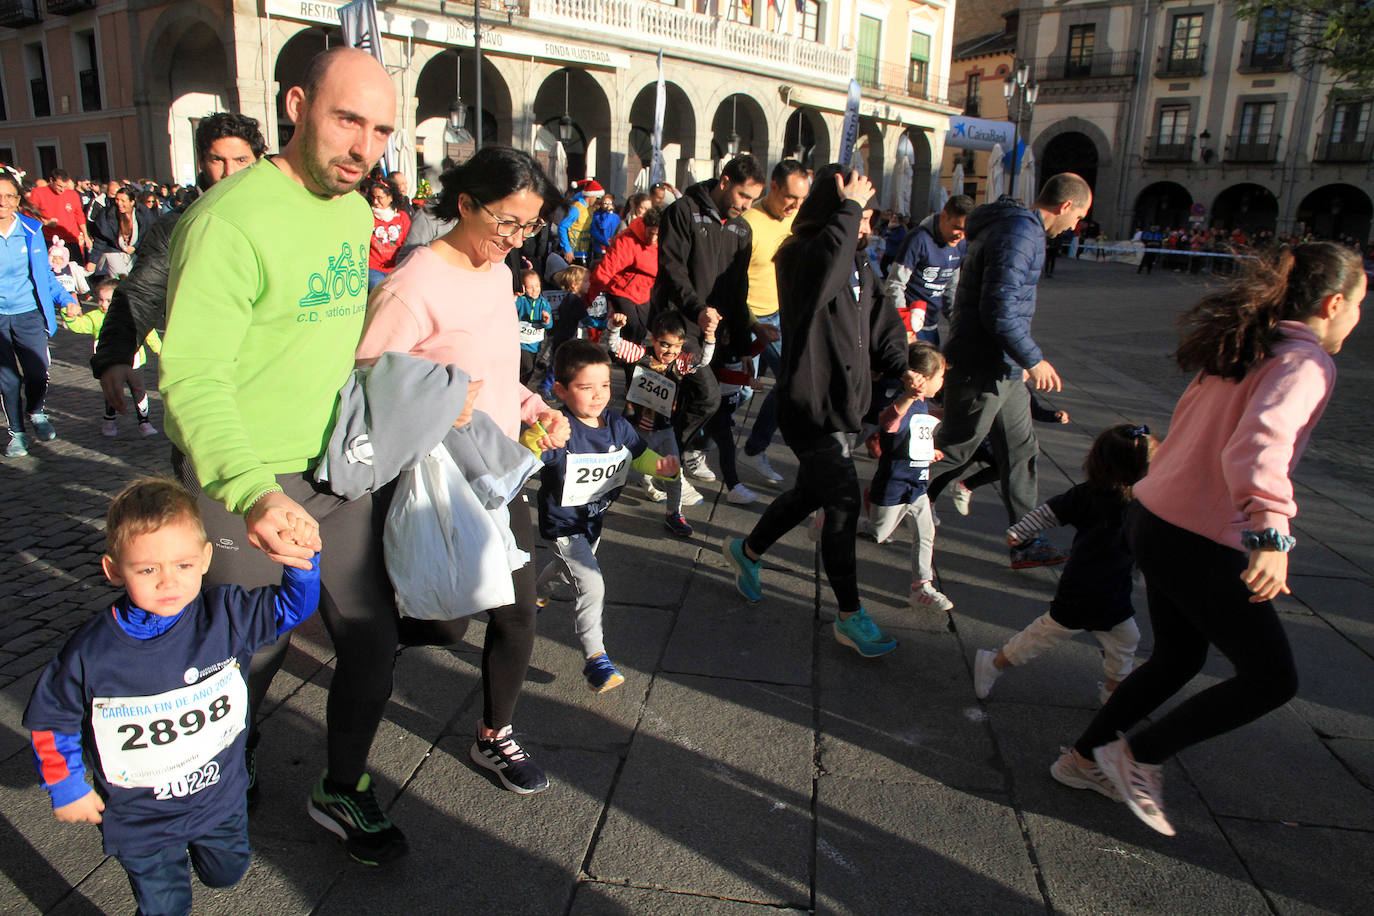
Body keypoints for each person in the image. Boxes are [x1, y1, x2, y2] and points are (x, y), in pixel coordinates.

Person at [159, 48, 409, 863]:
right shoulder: (228, 221)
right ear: (297, 104)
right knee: (251, 656)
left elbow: (329, 318)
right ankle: (222, 771)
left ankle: (341, 788)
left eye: (379, 130)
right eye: (346, 120)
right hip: (248, 485)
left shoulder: (349, 206)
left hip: (337, 477)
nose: (362, 146)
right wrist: (250, 491)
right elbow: (192, 376)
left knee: (371, 643)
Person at [1053, 242, 1364, 837]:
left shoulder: (1251, 343)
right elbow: (1258, 446)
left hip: (1156, 518)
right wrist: (1271, 530)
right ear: (1333, 303)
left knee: (1179, 655)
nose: (1357, 317)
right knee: (1272, 680)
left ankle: (1084, 759)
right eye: (1358, 305)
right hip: (1197, 535)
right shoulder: (1303, 363)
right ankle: (1136, 755)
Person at [356, 144, 571, 796]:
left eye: (528, 227)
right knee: (445, 620)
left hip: (495, 468)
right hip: (433, 475)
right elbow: (366, 377)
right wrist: (440, 398)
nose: (513, 240)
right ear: (465, 204)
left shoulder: (499, 273)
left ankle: (493, 735)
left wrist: (536, 409)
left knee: (517, 610)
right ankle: (370, 630)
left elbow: (498, 374)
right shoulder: (414, 281)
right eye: (505, 222)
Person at [24, 478, 320, 916]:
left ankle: (211, 854)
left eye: (182, 565)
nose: (168, 582)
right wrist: (66, 785)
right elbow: (51, 719)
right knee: (165, 906)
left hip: (218, 796)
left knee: (227, 872)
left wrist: (301, 562)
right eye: (147, 569)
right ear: (113, 570)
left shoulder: (224, 615)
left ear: (205, 559)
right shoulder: (92, 652)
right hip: (140, 816)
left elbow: (291, 609)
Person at [723, 166, 910, 658]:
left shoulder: (858, 259)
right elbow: (827, 272)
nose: (865, 224)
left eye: (868, 215)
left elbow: (881, 319)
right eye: (856, 214)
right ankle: (850, 615)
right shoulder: (800, 254)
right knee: (843, 502)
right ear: (835, 213)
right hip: (806, 404)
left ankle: (748, 550)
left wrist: (905, 366)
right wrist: (846, 215)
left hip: (840, 403)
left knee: (811, 492)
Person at [923, 173, 1092, 569]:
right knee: (956, 449)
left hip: (1004, 365)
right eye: (1079, 216)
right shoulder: (1020, 233)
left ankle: (1025, 539)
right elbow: (998, 308)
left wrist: (1022, 360)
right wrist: (1034, 358)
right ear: (1066, 206)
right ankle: (888, 499)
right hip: (984, 363)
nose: (1076, 226)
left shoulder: (1018, 228)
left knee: (1021, 452)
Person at [91, 112, 266, 423]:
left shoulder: (279, 215)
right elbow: (142, 290)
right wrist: (115, 354)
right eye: (217, 160)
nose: (229, 172)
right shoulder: (178, 225)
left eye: (241, 160)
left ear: (258, 159)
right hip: (205, 380)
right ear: (202, 161)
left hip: (272, 373)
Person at [531, 339, 680, 692]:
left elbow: (638, 455)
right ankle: (596, 661)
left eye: (604, 385)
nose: (598, 395)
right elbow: (522, 460)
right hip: (562, 524)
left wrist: (661, 468)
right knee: (591, 584)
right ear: (561, 390)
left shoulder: (616, 424)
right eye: (586, 388)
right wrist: (536, 440)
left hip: (593, 520)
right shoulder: (560, 430)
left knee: (573, 575)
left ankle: (537, 591)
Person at [974, 424, 1157, 706]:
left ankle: (1113, 690)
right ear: (1130, 470)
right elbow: (1048, 512)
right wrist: (1019, 532)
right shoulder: (1089, 495)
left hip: (1115, 590)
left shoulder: (1142, 500)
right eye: (1152, 465)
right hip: (1083, 588)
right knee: (1042, 636)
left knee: (1126, 639)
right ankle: (994, 663)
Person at [653, 155, 764, 482]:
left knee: (695, 400)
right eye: (743, 196)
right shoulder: (683, 211)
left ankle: (673, 459)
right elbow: (672, 269)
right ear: (725, 181)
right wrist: (697, 308)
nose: (746, 205)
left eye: (752, 200)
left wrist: (743, 343)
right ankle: (671, 459)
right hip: (677, 325)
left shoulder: (742, 229)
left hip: (715, 332)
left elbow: (738, 288)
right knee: (707, 397)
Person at [605, 309, 715, 534]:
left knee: (674, 472)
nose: (670, 351)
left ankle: (674, 513)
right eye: (665, 344)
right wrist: (615, 327)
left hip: (665, 430)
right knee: (625, 472)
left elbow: (703, 360)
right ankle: (601, 502)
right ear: (653, 339)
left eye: (676, 346)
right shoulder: (640, 355)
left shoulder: (680, 363)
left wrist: (710, 337)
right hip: (638, 429)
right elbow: (615, 346)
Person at [864, 342, 952, 613]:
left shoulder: (922, 404)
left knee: (926, 533)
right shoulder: (905, 403)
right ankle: (836, 518)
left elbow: (917, 434)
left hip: (917, 485)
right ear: (922, 381)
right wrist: (907, 397)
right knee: (879, 533)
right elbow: (888, 423)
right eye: (940, 377)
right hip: (893, 485)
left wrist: (931, 451)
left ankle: (922, 587)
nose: (942, 382)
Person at [739, 159, 809, 486]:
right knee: (734, 392)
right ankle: (698, 443)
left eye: (802, 200)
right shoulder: (747, 224)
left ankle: (753, 448)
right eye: (791, 197)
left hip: (782, 314)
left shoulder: (796, 219)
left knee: (790, 381)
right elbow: (730, 282)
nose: (795, 206)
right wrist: (751, 323)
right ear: (774, 187)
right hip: (750, 318)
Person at [0, 169, 78, 458]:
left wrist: (65, 297)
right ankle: (17, 434)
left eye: (9, 196)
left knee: (36, 372)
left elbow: (43, 274)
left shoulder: (31, 230)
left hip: (29, 313)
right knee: (7, 379)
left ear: (18, 199)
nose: (3, 202)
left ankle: (36, 411)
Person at [62, 278, 161, 437]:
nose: (103, 304)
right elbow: (80, 325)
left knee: (139, 390)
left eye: (108, 300)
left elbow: (149, 332)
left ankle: (144, 421)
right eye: (100, 300)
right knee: (113, 390)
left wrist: (159, 350)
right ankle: (109, 420)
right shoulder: (95, 317)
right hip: (109, 362)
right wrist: (70, 316)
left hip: (135, 361)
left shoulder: (132, 312)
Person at [949, 387, 1068, 516]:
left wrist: (1054, 416)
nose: (1027, 375)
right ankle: (934, 495)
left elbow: (1035, 410)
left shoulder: (1021, 387)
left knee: (1005, 467)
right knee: (953, 464)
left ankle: (963, 487)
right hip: (981, 434)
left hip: (993, 439)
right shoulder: (999, 383)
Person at [884, 194, 972, 347]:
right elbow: (895, 284)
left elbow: (951, 289)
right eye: (957, 228)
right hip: (909, 325)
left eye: (966, 231)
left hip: (932, 324)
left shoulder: (960, 244)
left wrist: (959, 325)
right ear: (944, 216)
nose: (961, 236)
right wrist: (906, 328)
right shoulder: (918, 239)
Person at [589, 206, 661, 351]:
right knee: (633, 328)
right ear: (645, 227)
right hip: (622, 289)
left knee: (646, 328)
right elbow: (607, 269)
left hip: (644, 291)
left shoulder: (665, 241)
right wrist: (589, 296)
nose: (653, 238)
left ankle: (625, 357)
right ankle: (629, 362)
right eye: (650, 233)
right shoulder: (627, 239)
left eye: (657, 235)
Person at [90, 186, 154, 278]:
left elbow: (148, 236)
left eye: (123, 201)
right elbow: (101, 239)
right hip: (113, 250)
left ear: (132, 202)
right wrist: (93, 261)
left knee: (134, 277)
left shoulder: (144, 215)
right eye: (117, 200)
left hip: (135, 252)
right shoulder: (107, 215)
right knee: (121, 278)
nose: (119, 203)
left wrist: (136, 247)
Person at [28, 168, 89, 255]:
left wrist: (86, 235)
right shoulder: (38, 193)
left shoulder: (72, 194)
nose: (62, 190)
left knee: (76, 266)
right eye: (59, 186)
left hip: (71, 238)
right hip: (49, 239)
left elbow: (79, 215)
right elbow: (29, 214)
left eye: (65, 187)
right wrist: (45, 222)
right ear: (51, 180)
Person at [365, 177, 410, 289]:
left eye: (379, 198)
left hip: (398, 267)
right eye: (373, 197)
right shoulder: (367, 216)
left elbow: (409, 241)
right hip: (374, 268)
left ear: (390, 197)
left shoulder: (402, 217)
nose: (375, 202)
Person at [515, 268, 552, 386]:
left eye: (537, 286)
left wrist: (546, 320)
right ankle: (514, 385)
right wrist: (515, 298)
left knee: (529, 372)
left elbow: (549, 325)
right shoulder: (521, 300)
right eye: (530, 287)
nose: (534, 290)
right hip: (520, 341)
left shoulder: (544, 303)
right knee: (526, 366)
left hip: (534, 344)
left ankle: (520, 389)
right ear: (523, 288)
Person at [558, 178, 604, 262]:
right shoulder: (576, 209)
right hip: (572, 254)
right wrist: (567, 249)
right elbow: (562, 227)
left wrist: (605, 242)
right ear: (591, 196)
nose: (597, 200)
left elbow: (592, 230)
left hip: (584, 252)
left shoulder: (589, 210)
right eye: (597, 197)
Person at [588, 192, 619, 262]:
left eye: (609, 203)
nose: (608, 205)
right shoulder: (597, 216)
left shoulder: (616, 217)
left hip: (612, 247)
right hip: (599, 247)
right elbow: (603, 226)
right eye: (605, 203)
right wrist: (605, 242)